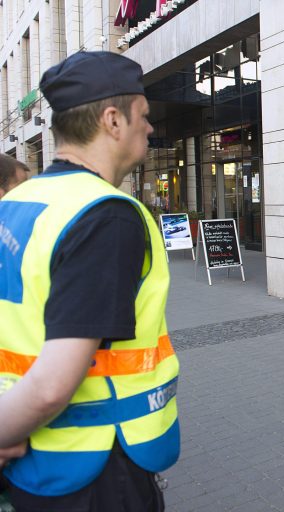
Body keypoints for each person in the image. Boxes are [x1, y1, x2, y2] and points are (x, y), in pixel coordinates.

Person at [0, 51, 179, 511]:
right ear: (113, 120)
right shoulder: (105, 216)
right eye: (145, 116)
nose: (151, 128)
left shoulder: (20, 203)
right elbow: (52, 385)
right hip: (95, 468)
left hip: (32, 461)